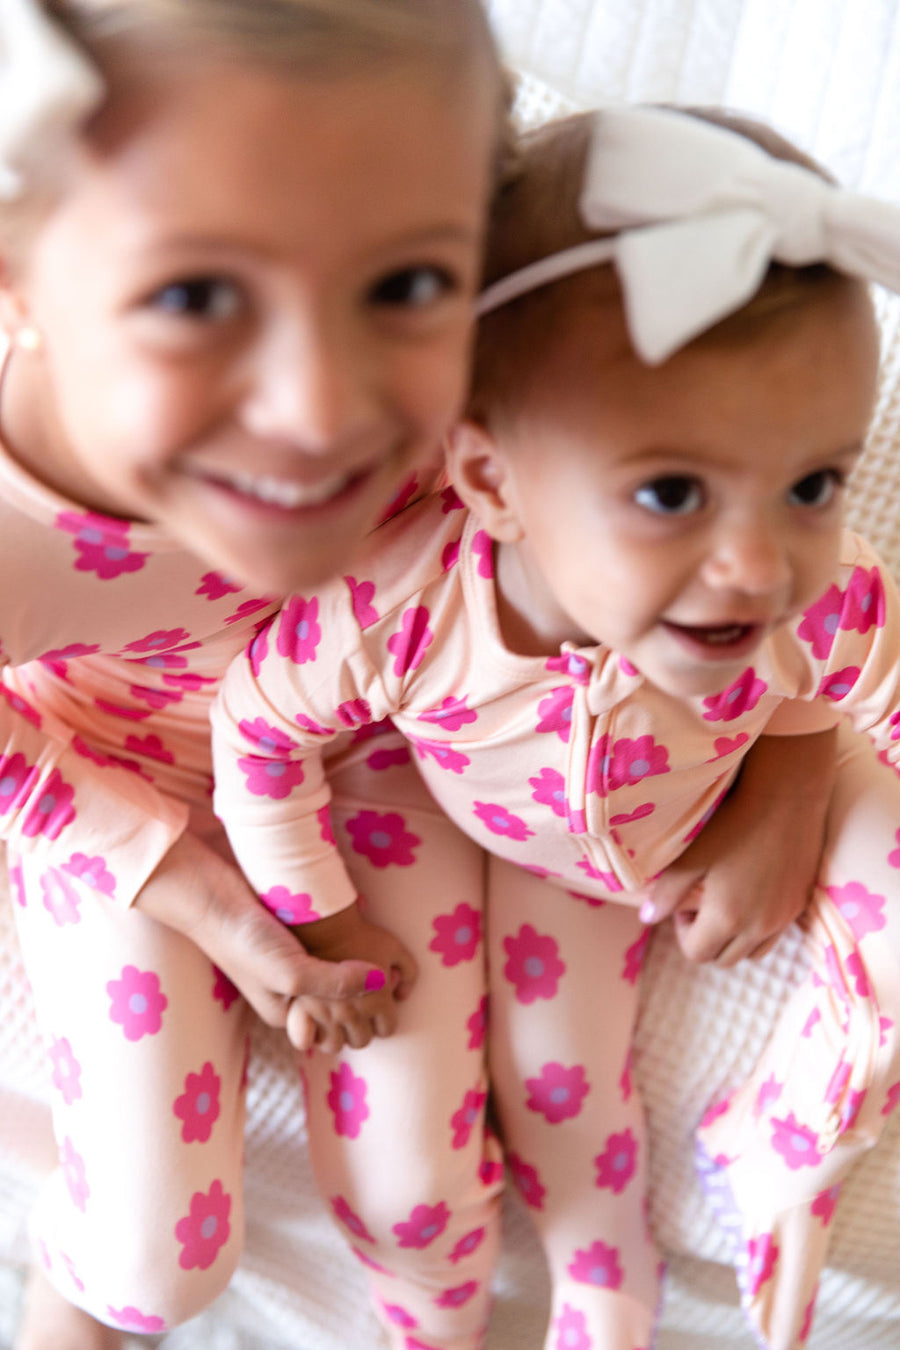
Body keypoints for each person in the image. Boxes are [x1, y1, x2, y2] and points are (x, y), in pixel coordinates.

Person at [212, 105, 900, 1350]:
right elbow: (256, 732)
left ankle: (616, 1292)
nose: (758, 564)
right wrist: (320, 913)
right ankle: (429, 1317)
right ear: (490, 481)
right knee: (400, 1174)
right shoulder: (399, 610)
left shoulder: (819, 598)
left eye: (811, 483)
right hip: (417, 806)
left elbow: (874, 684)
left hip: (598, 876)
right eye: (672, 492)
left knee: (569, 1101)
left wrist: (794, 768)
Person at [0, 2, 508, 1347]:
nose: (318, 408)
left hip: (364, 754)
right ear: (16, 279)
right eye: (195, 299)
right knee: (152, 1263)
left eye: (405, 286)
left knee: (423, 1197)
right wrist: (201, 892)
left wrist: (790, 755)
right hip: (124, 786)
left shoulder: (470, 393)